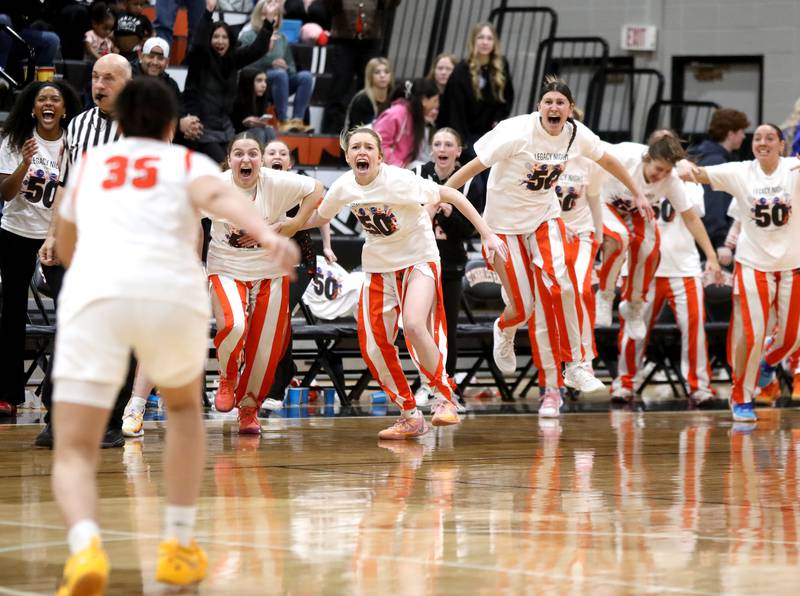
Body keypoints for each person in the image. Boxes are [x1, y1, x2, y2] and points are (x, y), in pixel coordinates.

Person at [50, 76, 299, 594]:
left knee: (73, 447)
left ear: (117, 123)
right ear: (170, 125)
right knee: (186, 413)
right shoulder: (189, 163)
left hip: (97, 292)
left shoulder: (92, 165)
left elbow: (67, 247)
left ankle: (85, 548)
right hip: (170, 291)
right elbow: (226, 201)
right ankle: (179, 545)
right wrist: (270, 235)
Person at [444, 78, 650, 418]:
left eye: (560, 102)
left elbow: (609, 160)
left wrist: (636, 191)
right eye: (548, 101)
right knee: (522, 309)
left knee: (564, 282)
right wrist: (442, 193)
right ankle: (504, 328)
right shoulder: (516, 132)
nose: (553, 107)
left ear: (570, 109)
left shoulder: (576, 134)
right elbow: (473, 167)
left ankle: (577, 364)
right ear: (539, 107)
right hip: (502, 226)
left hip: (544, 218)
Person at [298, 127, 507, 439]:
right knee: (372, 345)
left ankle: (443, 397)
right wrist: (281, 225)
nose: (362, 152)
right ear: (347, 156)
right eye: (355, 147)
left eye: (369, 147)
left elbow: (450, 195)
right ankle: (409, 414)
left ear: (380, 157)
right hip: (379, 269)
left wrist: (487, 234)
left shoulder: (399, 180)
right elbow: (320, 216)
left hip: (418, 259)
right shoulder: (343, 186)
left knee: (413, 325)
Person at [34, 53, 134, 449]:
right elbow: (64, 188)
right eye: (95, 76)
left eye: (109, 78)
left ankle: (110, 420)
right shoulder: (77, 126)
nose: (100, 84)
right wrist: (51, 236)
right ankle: (57, 419)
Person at [678, 123, 800, 423]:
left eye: (770, 138)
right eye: (757, 137)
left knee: (791, 337)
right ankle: (741, 397)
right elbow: (698, 174)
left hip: (791, 265)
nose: (763, 142)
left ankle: (767, 365)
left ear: (781, 145)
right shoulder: (741, 172)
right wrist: (682, 163)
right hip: (753, 264)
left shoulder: (794, 169)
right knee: (753, 332)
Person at [208, 132, 324, 434]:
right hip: (226, 268)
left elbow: (318, 189)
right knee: (234, 325)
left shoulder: (277, 182)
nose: (245, 159)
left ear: (260, 159)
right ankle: (226, 376)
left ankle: (248, 408)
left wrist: (294, 224)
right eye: (238, 153)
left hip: (270, 272)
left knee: (265, 348)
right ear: (229, 160)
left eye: (252, 154)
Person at [612, 129, 716, 406]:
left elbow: (695, 216)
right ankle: (625, 383)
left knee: (695, 327)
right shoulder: (629, 171)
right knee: (634, 327)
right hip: (642, 264)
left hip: (683, 265)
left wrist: (712, 256)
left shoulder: (682, 179)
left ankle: (700, 387)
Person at [0, 81, 81, 419]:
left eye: (55, 99)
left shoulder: (75, 143)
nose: (48, 104)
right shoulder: (15, 140)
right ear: (32, 108)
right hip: (16, 232)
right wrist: (25, 162)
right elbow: (5, 194)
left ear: (64, 109)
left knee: (70, 309)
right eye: (42, 99)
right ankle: (7, 394)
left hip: (58, 236)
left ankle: (59, 391)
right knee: (12, 314)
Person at [595, 136, 722, 342]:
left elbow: (691, 218)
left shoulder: (671, 180)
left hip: (636, 210)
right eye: (658, 168)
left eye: (666, 171)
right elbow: (589, 145)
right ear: (647, 158)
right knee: (619, 239)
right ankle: (605, 295)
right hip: (605, 203)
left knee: (651, 249)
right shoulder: (625, 154)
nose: (660, 175)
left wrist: (711, 255)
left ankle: (633, 305)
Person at [526, 106, 608, 405]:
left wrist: (599, 235)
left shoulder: (590, 159)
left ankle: (581, 361)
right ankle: (550, 386)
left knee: (580, 290)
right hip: (544, 234)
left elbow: (595, 197)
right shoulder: (535, 154)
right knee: (544, 310)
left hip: (581, 235)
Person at [261, 139, 338, 409]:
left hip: (300, 262)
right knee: (270, 321)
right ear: (263, 160)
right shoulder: (255, 187)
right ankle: (284, 372)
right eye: (272, 152)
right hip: (264, 263)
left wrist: (327, 246)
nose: (277, 156)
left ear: (290, 163)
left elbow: (323, 214)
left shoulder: (301, 184)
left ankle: (276, 388)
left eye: (283, 153)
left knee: (279, 317)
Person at [411, 127, 485, 406]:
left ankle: (447, 387)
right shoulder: (417, 175)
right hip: (418, 262)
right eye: (437, 144)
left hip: (451, 263)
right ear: (432, 150)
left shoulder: (470, 182)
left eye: (448, 144)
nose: (442, 149)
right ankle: (423, 383)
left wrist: (451, 214)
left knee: (447, 328)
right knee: (419, 326)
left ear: (458, 150)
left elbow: (469, 230)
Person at [183, 0, 272, 163]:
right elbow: (197, 44)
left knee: (243, 163)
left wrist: (269, 22)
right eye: (215, 36)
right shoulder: (200, 59)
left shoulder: (233, 59)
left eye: (224, 37)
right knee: (227, 167)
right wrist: (208, 12)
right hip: (203, 132)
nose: (220, 41)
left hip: (226, 130)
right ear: (209, 39)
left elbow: (257, 50)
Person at [320, 0, 401, 134]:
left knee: (369, 87)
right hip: (343, 41)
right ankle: (331, 133)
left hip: (370, 42)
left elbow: (391, 4)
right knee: (339, 88)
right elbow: (329, 6)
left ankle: (364, 130)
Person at [239, 0, 314, 133]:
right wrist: (269, 64)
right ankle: (283, 120)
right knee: (279, 74)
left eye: (275, 15)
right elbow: (243, 66)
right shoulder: (248, 36)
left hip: (281, 82)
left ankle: (297, 120)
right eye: (264, 14)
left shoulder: (282, 39)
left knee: (306, 77)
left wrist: (285, 66)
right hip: (256, 82)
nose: (270, 18)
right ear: (257, 16)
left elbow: (292, 69)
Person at [437, 22, 513, 152]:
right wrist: (462, 143)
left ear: (495, 42)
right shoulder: (461, 70)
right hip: (466, 135)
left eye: (489, 38)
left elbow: (507, 97)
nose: (485, 42)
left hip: (490, 133)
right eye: (481, 37)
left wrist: (497, 120)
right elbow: (455, 110)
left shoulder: (501, 65)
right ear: (473, 41)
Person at [687, 108, 750, 249]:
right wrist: (720, 242)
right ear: (731, 134)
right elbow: (713, 206)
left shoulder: (705, 155)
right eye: (741, 132)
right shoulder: (716, 161)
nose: (744, 136)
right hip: (713, 242)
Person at [132, 37, 204, 144]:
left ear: (167, 62)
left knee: (191, 139)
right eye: (151, 56)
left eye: (160, 58)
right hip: (132, 135)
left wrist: (188, 124)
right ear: (141, 56)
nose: (155, 62)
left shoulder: (171, 84)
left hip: (162, 137)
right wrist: (179, 124)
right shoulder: (128, 76)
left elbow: (180, 110)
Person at [372, 78, 438, 168]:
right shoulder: (396, 113)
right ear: (424, 100)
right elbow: (378, 143)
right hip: (384, 168)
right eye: (435, 101)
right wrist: (399, 168)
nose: (436, 105)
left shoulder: (414, 116)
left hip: (398, 168)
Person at [344, 56, 394, 130]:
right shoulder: (362, 99)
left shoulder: (395, 97)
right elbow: (357, 130)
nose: (382, 75)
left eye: (386, 72)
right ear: (370, 76)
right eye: (377, 72)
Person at [231, 66, 277, 145]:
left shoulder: (261, 100)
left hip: (251, 135)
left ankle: (268, 156)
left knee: (269, 131)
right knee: (258, 132)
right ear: (248, 82)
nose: (264, 85)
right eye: (259, 81)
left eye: (265, 81)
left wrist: (261, 123)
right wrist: (243, 123)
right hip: (233, 137)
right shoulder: (234, 99)